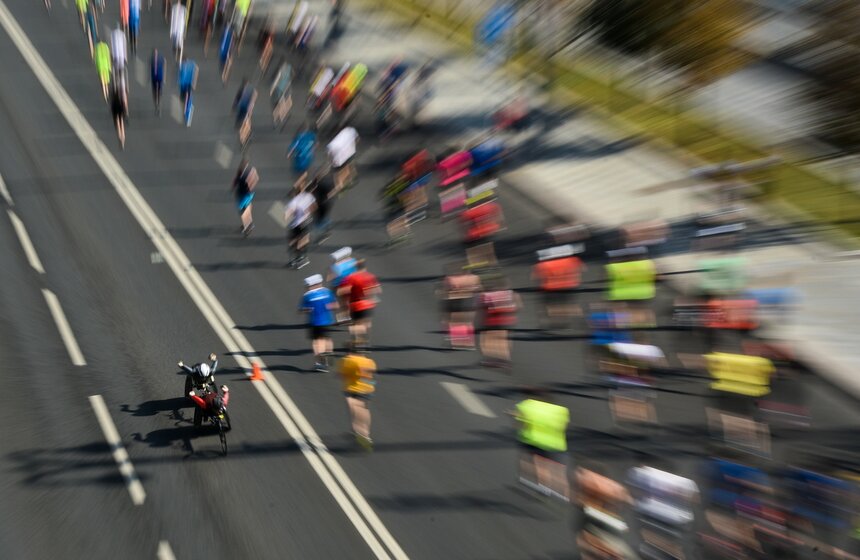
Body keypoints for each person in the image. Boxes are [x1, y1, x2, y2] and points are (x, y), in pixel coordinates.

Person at [513, 391, 570, 501]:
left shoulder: (527, 405)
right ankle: (565, 492)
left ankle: (544, 486)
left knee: (539, 464)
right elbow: (563, 425)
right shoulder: (561, 410)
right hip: (557, 443)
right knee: (559, 468)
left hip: (535, 440)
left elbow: (520, 422)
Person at [533, 244, 585, 329]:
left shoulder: (543, 263)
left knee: (548, 306)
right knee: (566, 304)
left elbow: (537, 278)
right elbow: (582, 269)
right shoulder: (573, 259)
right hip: (570, 286)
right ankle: (573, 319)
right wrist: (575, 278)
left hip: (550, 288)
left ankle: (550, 323)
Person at [476, 274, 519, 368]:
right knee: (503, 340)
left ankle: (490, 359)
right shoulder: (511, 294)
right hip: (507, 320)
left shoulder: (486, 295)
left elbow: (482, 310)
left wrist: (479, 322)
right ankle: (506, 359)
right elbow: (517, 306)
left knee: (489, 340)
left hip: (491, 320)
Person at [339, 259, 381, 350]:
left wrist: (343, 301)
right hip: (369, 304)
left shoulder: (351, 277)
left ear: (355, 267)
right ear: (364, 266)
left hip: (356, 304)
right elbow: (378, 290)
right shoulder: (370, 276)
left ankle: (358, 343)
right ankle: (363, 341)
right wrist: (371, 296)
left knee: (356, 325)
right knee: (366, 323)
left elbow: (343, 291)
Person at [338, 351, 376, 449]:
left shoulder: (348, 361)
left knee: (354, 408)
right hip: (367, 389)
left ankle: (359, 432)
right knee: (364, 410)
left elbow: (342, 375)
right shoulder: (370, 361)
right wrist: (370, 386)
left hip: (352, 389)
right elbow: (370, 378)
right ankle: (366, 433)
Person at [299, 274, 338, 371]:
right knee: (327, 339)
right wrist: (327, 307)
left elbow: (302, 309)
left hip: (315, 322)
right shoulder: (327, 292)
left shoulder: (307, 296)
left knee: (317, 342)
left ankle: (321, 363)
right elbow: (335, 305)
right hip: (327, 320)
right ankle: (329, 352)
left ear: (312, 285)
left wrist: (308, 309)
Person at [284, 179, 316, 268]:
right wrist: (308, 212)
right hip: (303, 222)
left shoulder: (295, 200)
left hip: (297, 224)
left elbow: (287, 214)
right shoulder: (308, 196)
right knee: (302, 240)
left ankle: (297, 258)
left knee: (296, 240)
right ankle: (300, 256)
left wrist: (286, 216)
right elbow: (313, 207)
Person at [328, 247, 356, 323]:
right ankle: (348, 315)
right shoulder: (353, 261)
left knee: (342, 302)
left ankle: (346, 316)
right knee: (347, 301)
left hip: (339, 286)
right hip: (350, 284)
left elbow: (330, 278)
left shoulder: (335, 266)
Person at [326, 125, 358, 193]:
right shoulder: (350, 131)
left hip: (338, 160)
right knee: (347, 168)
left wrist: (330, 161)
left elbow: (329, 154)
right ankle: (345, 182)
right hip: (348, 155)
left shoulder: (333, 143)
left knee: (337, 173)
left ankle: (339, 186)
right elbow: (356, 140)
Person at [232, 159, 258, 236]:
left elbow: (236, 181)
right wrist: (252, 186)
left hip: (243, 194)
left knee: (242, 211)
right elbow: (256, 177)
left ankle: (247, 226)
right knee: (247, 207)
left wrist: (233, 188)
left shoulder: (241, 173)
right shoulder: (251, 170)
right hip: (249, 194)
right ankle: (249, 224)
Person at [310, 171, 334, 243]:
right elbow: (331, 193)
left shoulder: (317, 186)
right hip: (327, 203)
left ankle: (322, 233)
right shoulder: (328, 183)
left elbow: (313, 194)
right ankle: (326, 231)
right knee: (324, 217)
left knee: (318, 220)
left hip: (320, 204)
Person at [178, 58, 198, 126]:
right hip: (185, 86)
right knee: (184, 99)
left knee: (185, 99)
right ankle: (185, 110)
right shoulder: (187, 65)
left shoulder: (187, 65)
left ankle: (186, 112)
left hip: (186, 86)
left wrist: (193, 84)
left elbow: (196, 70)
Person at [109, 80, 128, 148]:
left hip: (115, 106)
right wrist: (126, 110)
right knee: (122, 123)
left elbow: (111, 100)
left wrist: (111, 109)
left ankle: (120, 138)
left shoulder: (113, 90)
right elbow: (125, 99)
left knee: (117, 123)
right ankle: (123, 140)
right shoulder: (122, 90)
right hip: (121, 105)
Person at [150, 48, 165, 115]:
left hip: (158, 78)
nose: (155, 55)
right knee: (155, 92)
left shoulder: (160, 59)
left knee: (158, 92)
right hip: (155, 78)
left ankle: (158, 105)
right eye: (154, 53)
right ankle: (157, 105)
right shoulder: (152, 60)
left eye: (156, 53)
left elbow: (165, 64)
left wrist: (164, 77)